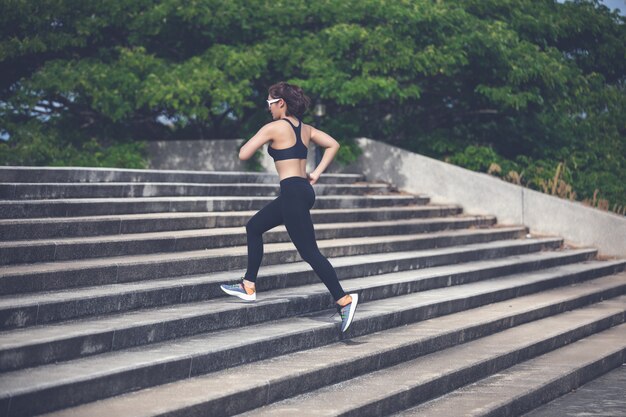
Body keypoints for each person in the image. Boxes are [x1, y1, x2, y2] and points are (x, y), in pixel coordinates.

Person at [220, 81, 359, 332]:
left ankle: (344, 300)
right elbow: (333, 144)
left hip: (293, 193)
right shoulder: (305, 129)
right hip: (302, 191)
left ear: (280, 103)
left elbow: (243, 154)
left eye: (270, 103)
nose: (269, 108)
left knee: (309, 252)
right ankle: (248, 285)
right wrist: (315, 173)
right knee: (254, 227)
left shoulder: (273, 127)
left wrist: (261, 136)